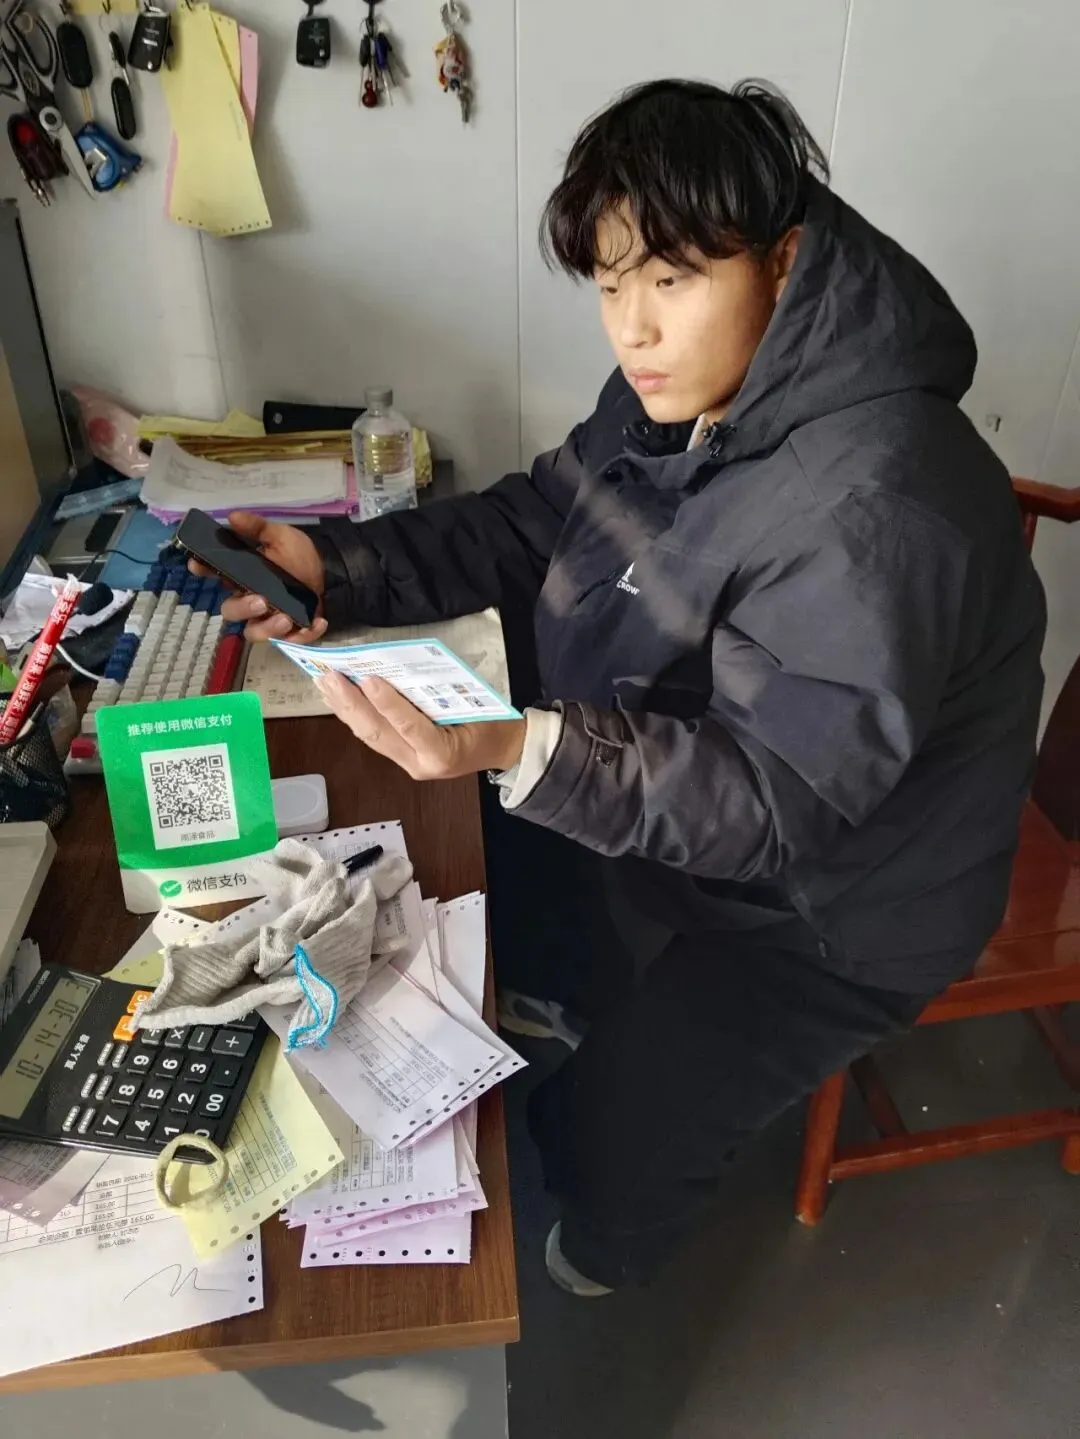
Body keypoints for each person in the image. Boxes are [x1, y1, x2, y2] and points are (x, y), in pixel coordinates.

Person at [207, 79, 1046, 1296]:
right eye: (610, 285)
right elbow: (546, 515)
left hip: (839, 906)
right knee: (484, 858)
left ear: (784, 261)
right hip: (706, 797)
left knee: (610, 1131)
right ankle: (577, 991)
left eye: (672, 278)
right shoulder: (687, 396)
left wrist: (522, 747)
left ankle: (607, 1252)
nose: (633, 331)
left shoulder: (876, 507)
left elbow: (773, 797)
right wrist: (337, 563)